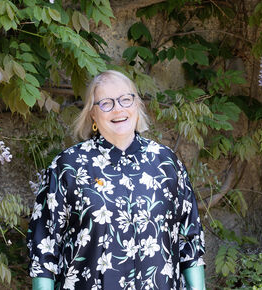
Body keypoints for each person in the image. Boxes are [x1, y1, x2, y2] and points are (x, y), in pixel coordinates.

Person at [27, 70, 206, 290]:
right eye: (106, 103)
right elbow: (44, 250)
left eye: (125, 99)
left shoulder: (166, 163)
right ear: (92, 114)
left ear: (137, 104)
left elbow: (190, 240)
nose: (118, 108)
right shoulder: (68, 167)